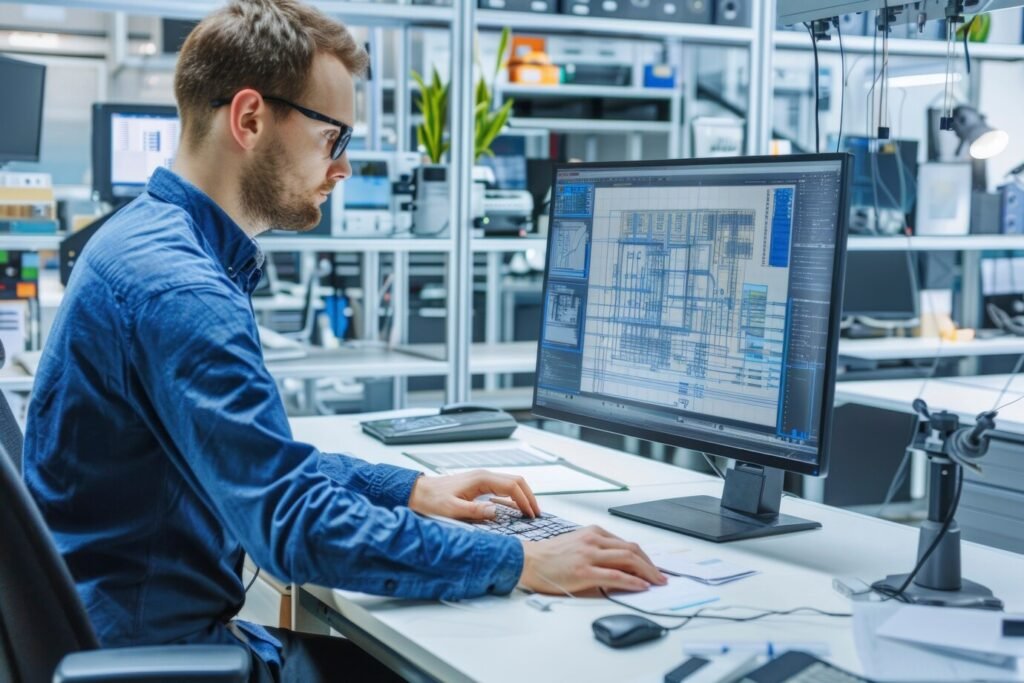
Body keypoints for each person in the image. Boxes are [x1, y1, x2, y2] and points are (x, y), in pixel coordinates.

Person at [22, 1, 666, 680]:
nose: (343, 168)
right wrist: (521, 559)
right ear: (248, 118)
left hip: (122, 634)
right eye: (335, 138)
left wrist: (410, 488)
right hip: (161, 657)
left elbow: (250, 466)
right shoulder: (183, 291)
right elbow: (293, 525)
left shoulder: (140, 243)